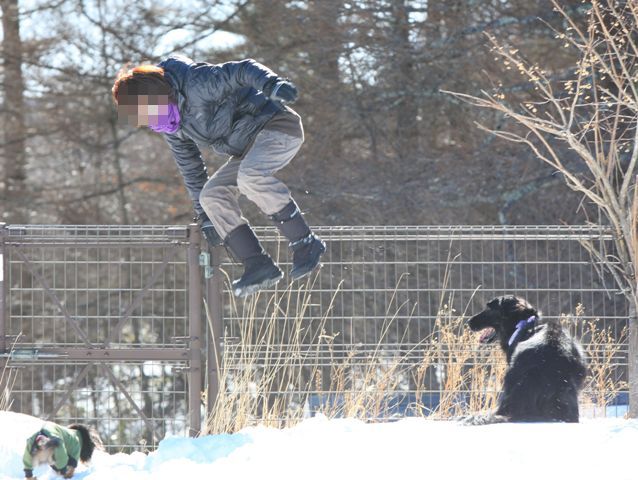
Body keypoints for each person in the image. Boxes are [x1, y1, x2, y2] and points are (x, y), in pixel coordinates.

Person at [112, 55, 326, 297]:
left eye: (143, 112)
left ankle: (305, 242)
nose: (146, 122)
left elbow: (241, 70)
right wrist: (205, 217)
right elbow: (190, 167)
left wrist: (272, 84)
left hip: (277, 127)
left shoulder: (196, 84)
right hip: (247, 150)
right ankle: (257, 264)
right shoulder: (172, 126)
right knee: (211, 196)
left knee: (249, 176)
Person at [23, 422, 103, 479]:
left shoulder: (62, 443)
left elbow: (63, 459)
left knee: (66, 470)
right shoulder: (31, 443)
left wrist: (63, 470)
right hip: (54, 434)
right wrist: (28, 474)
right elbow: (27, 459)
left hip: (67, 440)